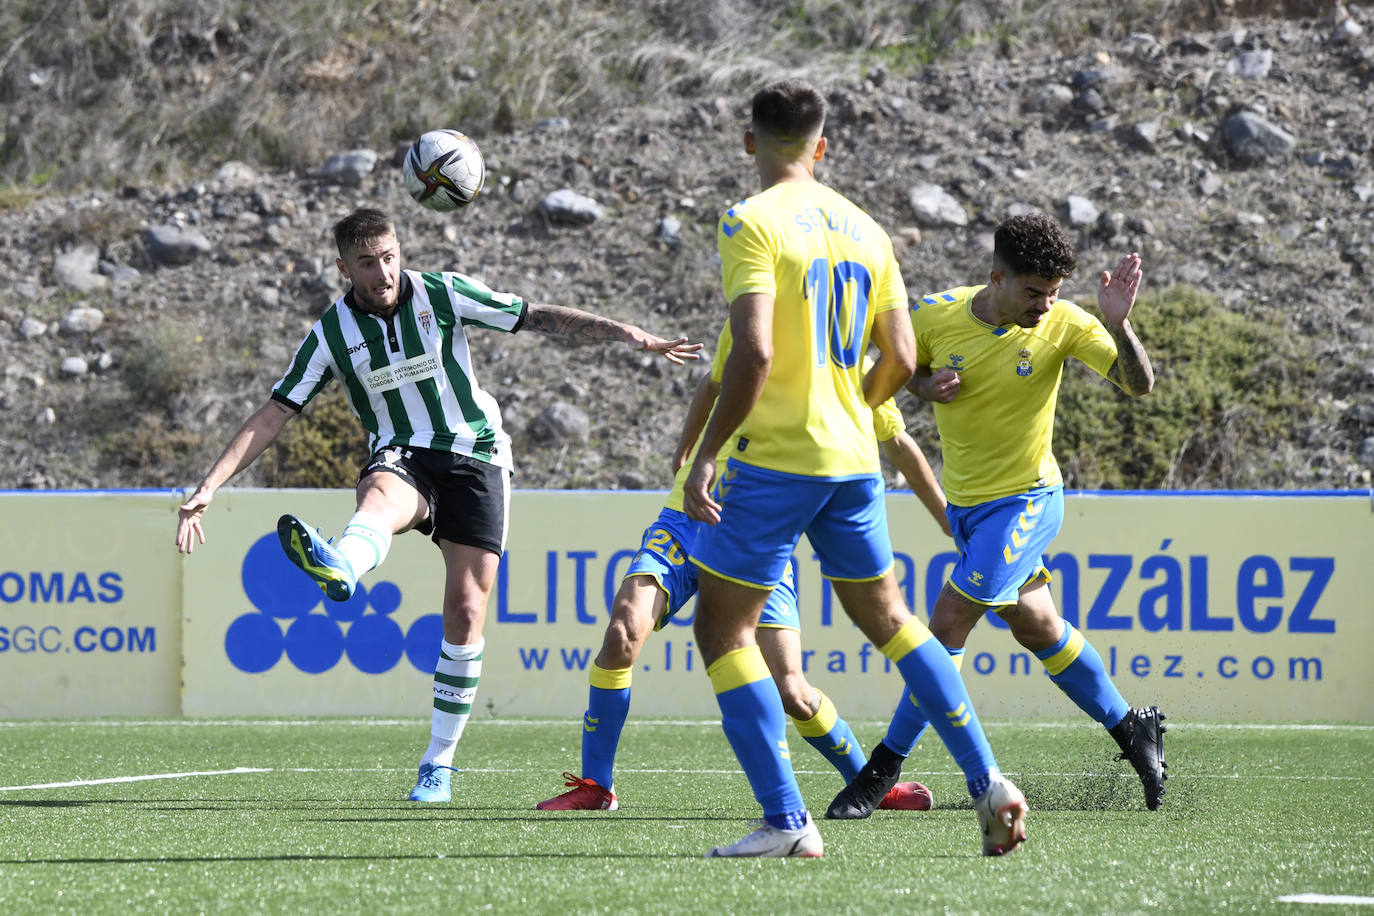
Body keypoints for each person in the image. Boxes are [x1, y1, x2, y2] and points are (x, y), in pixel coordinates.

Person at [173, 207, 700, 804]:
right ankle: (342, 564)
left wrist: (623, 332)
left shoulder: (441, 293)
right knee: (378, 493)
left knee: (466, 610)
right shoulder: (330, 335)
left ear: (400, 251)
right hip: (404, 454)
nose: (383, 272)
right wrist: (209, 486)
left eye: (390, 256)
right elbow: (274, 413)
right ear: (343, 266)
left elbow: (533, 316)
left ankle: (439, 763)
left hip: (477, 455)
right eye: (367, 263)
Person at [681, 79, 1028, 859]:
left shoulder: (749, 221)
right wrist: (853, 408)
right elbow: (903, 357)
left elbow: (756, 351)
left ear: (749, 144)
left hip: (775, 461)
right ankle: (986, 779)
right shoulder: (869, 230)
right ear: (823, 146)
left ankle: (784, 820)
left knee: (721, 627)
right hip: (852, 460)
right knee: (896, 622)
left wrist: (708, 452)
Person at [827, 211, 1167, 821]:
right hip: (970, 512)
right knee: (1037, 626)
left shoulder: (1063, 323)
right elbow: (900, 367)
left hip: (1029, 500)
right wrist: (925, 387)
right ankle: (1130, 725)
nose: (1044, 304)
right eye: (1033, 291)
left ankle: (881, 770)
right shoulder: (935, 315)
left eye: (1053, 293)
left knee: (949, 620)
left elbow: (1139, 386)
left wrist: (1120, 326)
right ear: (996, 277)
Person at [535, 327, 947, 813]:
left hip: (758, 536)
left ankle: (871, 783)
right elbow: (711, 386)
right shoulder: (754, 332)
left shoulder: (850, 368)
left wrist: (948, 519)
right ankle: (596, 784)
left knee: (792, 689)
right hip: (686, 521)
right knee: (623, 631)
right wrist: (686, 452)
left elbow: (898, 444)